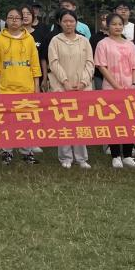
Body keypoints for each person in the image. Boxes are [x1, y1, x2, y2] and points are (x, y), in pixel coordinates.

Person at [0, 6, 42, 165]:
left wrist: (36, 86)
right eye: (10, 18)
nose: (14, 21)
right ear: (6, 20)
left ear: (22, 21)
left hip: (26, 88)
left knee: (26, 123)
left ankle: (27, 152)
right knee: (7, 122)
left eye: (17, 18)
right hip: (5, 88)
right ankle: (7, 152)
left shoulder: (29, 39)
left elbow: (35, 64)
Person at [47, 11, 94, 169]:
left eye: (72, 21)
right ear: (60, 22)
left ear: (76, 22)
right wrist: (65, 82)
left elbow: (90, 63)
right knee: (64, 123)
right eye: (65, 21)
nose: (68, 24)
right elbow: (54, 63)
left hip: (81, 88)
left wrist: (83, 82)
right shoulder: (55, 40)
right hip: (62, 87)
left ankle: (81, 158)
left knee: (81, 123)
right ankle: (65, 157)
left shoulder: (84, 41)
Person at [94, 13, 135, 168]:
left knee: (129, 121)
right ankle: (115, 156)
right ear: (107, 26)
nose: (117, 27)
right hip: (110, 88)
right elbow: (101, 66)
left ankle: (127, 155)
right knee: (113, 122)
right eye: (114, 24)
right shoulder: (103, 44)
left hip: (129, 88)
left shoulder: (130, 44)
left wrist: (134, 84)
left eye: (120, 24)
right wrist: (116, 86)